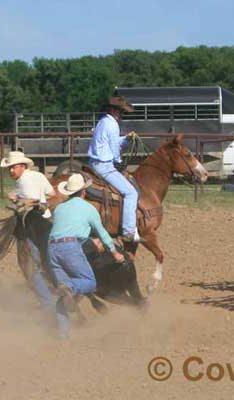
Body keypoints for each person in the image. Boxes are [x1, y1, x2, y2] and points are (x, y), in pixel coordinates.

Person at [48, 173, 125, 338]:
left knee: (63, 293)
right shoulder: (89, 208)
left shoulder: (60, 208)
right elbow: (102, 233)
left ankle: (63, 334)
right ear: (83, 193)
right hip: (70, 247)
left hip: (52, 249)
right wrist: (114, 252)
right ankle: (70, 288)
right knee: (89, 282)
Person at [0, 151, 57, 316]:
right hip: (47, 222)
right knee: (47, 261)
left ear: (23, 166)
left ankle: (48, 305)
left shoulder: (22, 183)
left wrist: (15, 199)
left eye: (14, 167)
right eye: (9, 168)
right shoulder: (38, 175)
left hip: (32, 226)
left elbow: (32, 201)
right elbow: (51, 193)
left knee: (30, 268)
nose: (11, 171)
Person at [88, 96, 139, 243]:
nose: (120, 114)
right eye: (119, 110)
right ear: (112, 110)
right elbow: (114, 148)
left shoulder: (103, 122)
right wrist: (119, 161)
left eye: (121, 111)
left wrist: (126, 139)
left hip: (95, 163)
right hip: (104, 166)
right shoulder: (112, 125)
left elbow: (113, 142)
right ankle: (128, 231)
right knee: (131, 193)